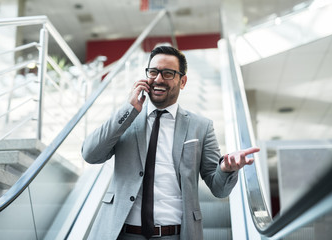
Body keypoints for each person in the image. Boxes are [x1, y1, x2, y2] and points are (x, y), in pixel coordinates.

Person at [81, 46, 259, 240]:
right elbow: (90, 154)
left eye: (168, 73)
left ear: (182, 81)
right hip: (120, 233)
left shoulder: (201, 126)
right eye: (153, 72)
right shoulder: (126, 118)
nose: (158, 79)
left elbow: (219, 189)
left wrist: (226, 169)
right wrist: (128, 108)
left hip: (174, 235)